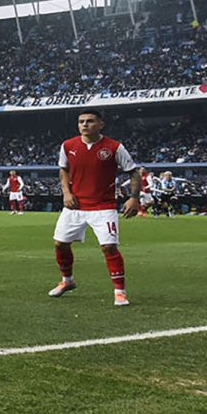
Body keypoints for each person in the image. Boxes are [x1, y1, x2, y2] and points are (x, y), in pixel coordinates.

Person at [50, 109, 139, 307]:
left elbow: (133, 173)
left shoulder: (114, 147)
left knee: (109, 247)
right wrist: (66, 193)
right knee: (60, 244)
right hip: (75, 206)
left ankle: (120, 292)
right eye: (81, 121)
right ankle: (67, 280)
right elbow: (63, 170)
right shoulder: (68, 145)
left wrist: (134, 198)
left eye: (90, 121)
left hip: (103, 206)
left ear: (101, 124)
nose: (85, 125)